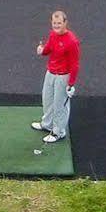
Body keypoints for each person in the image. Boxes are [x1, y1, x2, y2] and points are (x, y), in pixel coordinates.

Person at [31, 9, 79, 144]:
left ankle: (58, 132)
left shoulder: (72, 41)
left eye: (59, 23)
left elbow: (75, 64)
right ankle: (47, 124)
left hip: (63, 76)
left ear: (65, 23)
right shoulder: (53, 35)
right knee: (47, 99)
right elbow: (49, 49)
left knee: (60, 105)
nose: (56, 26)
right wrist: (42, 51)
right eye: (54, 23)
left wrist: (71, 84)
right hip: (51, 72)